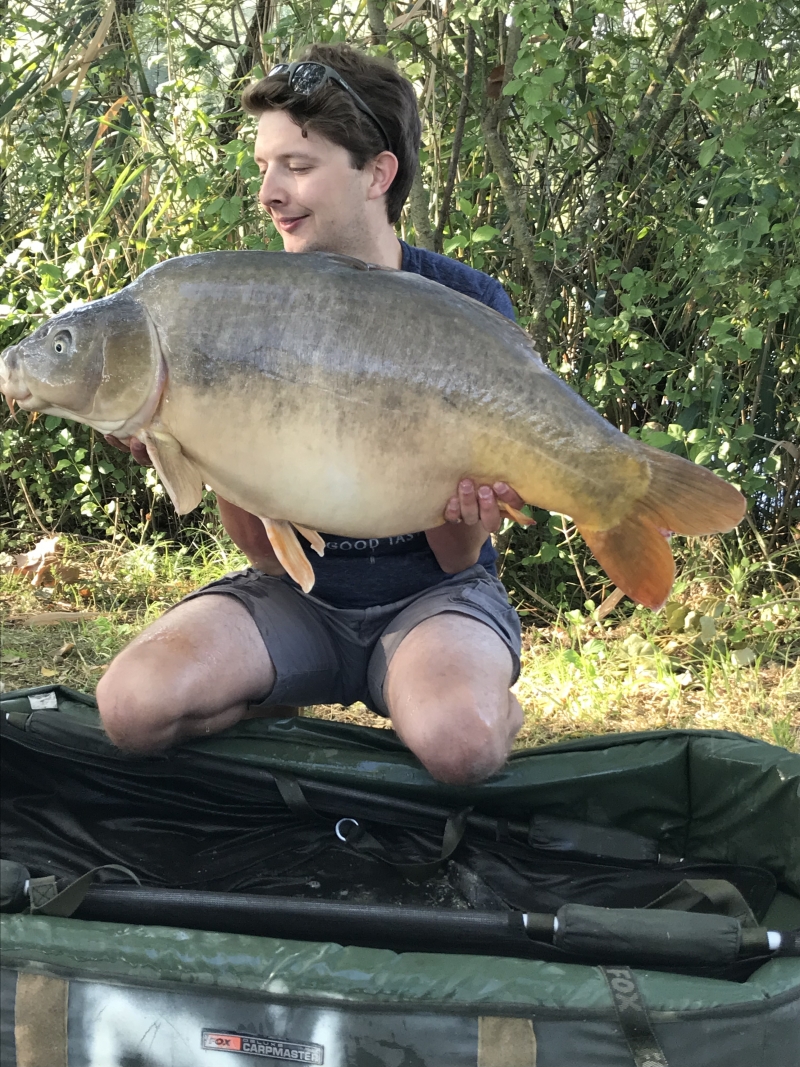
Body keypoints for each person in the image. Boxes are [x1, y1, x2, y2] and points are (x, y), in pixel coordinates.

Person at [99, 43, 527, 785]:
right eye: (264, 167)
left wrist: (470, 498)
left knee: (462, 742)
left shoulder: (467, 306)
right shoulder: (241, 303)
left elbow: (457, 556)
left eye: (297, 166)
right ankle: (284, 684)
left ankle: (479, 694)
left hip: (434, 596)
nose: (269, 191)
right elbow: (268, 552)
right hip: (297, 598)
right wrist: (198, 437)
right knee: (131, 707)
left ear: (378, 174)